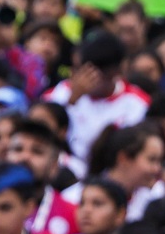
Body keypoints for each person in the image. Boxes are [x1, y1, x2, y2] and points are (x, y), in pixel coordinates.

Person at [41, 31, 148, 173]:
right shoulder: (61, 93)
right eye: (85, 70)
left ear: (116, 71)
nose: (90, 79)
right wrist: (72, 100)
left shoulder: (137, 102)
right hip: (63, 171)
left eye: (99, 74)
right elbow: (41, 127)